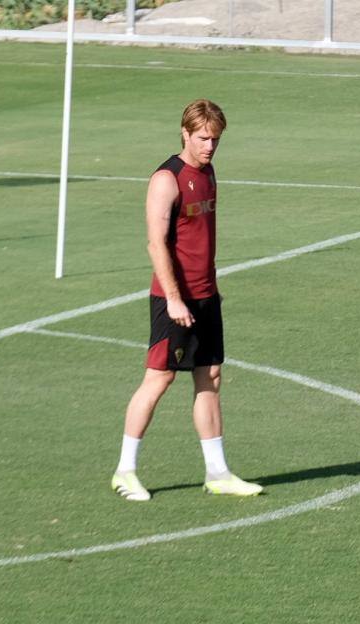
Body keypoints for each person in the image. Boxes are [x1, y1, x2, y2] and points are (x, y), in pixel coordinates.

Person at [111, 99, 263, 502]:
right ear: (185, 132)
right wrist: (175, 299)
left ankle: (217, 472)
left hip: (205, 295)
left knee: (209, 376)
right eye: (203, 138)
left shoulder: (209, 172)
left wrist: (209, 289)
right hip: (173, 299)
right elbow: (156, 243)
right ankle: (125, 470)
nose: (210, 146)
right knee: (158, 379)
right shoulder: (167, 178)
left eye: (215, 139)